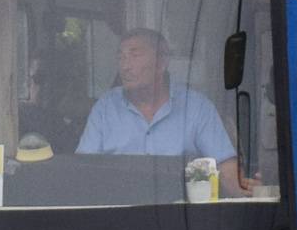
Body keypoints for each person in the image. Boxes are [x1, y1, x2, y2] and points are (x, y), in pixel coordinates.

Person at [76, 26, 244, 192]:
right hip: (119, 208)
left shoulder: (197, 107)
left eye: (134, 55)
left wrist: (247, 191)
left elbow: (225, 168)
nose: (125, 66)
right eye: (121, 57)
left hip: (181, 213)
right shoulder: (105, 108)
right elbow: (84, 170)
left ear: (161, 63)